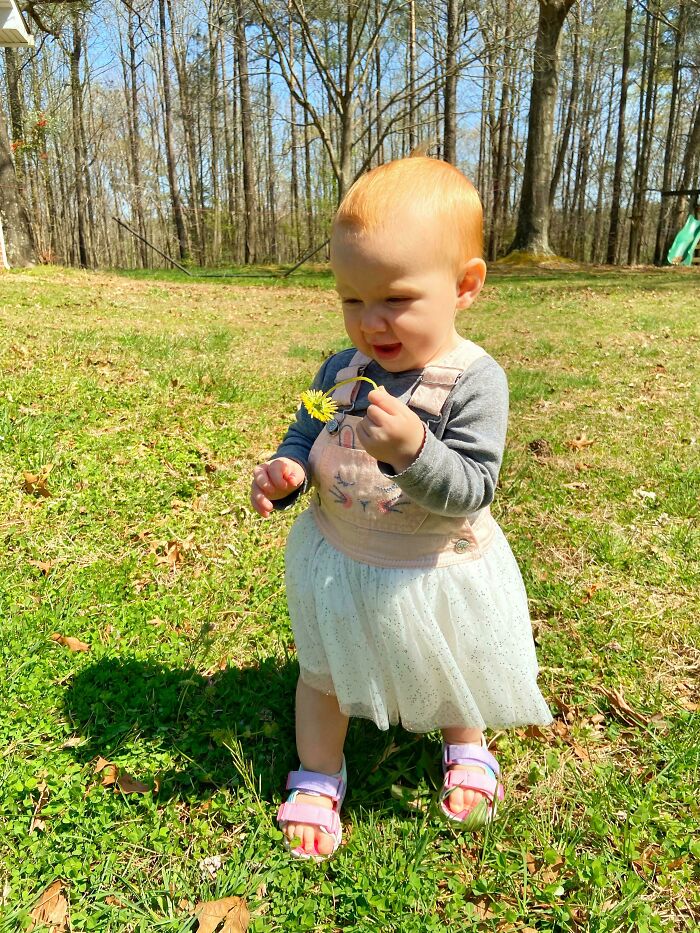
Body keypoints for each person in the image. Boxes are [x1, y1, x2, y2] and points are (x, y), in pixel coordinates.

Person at [250, 155, 553, 860]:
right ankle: (320, 773)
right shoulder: (339, 370)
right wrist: (290, 466)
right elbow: (307, 426)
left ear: (465, 286)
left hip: (432, 566)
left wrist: (414, 446)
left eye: (395, 298)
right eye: (351, 299)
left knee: (447, 658)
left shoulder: (474, 381)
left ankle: (466, 741)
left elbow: (473, 486)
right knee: (322, 672)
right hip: (344, 559)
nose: (370, 321)